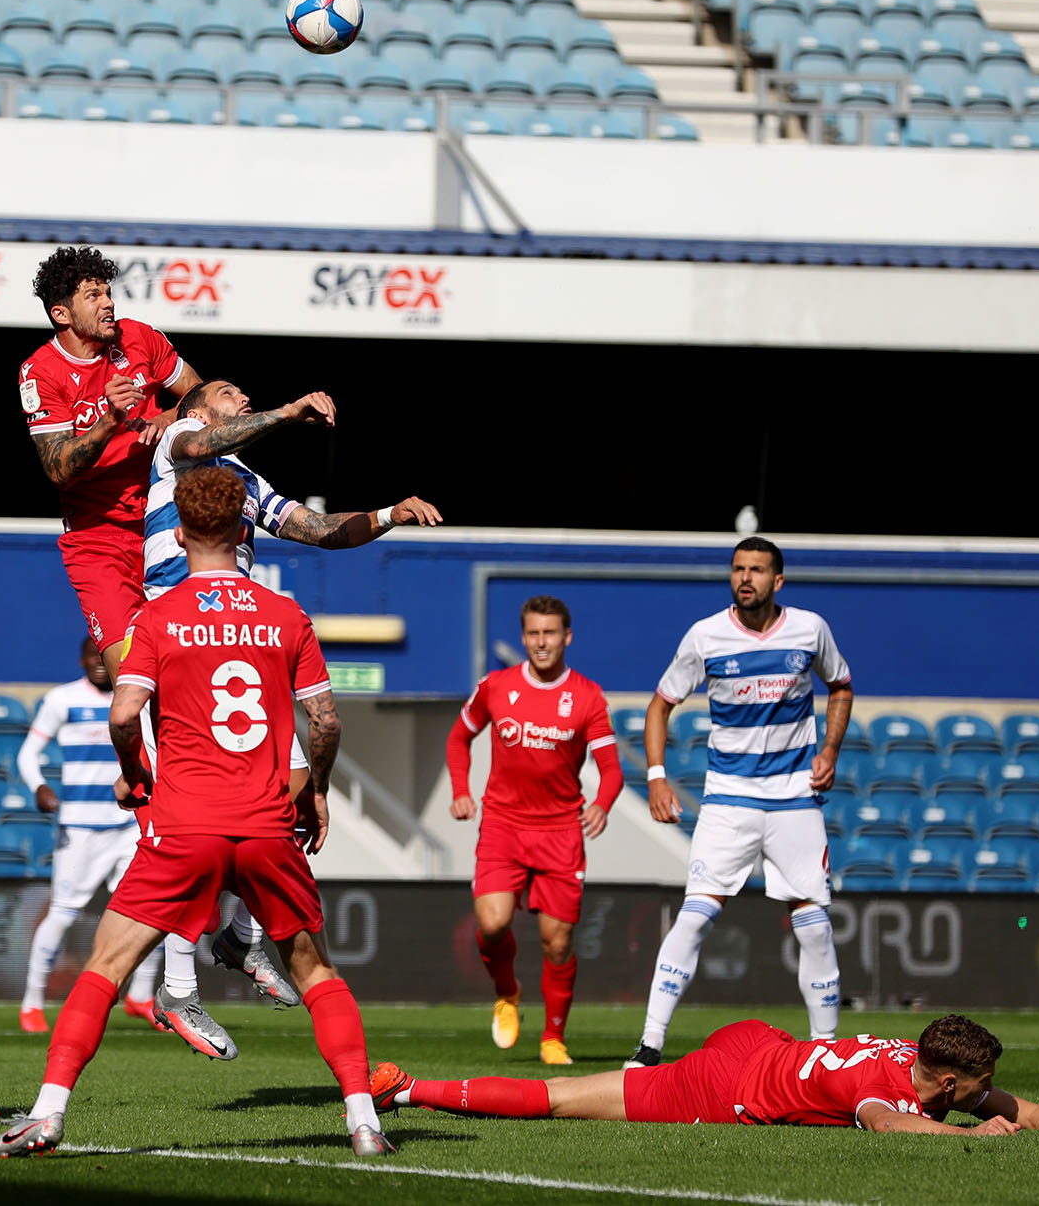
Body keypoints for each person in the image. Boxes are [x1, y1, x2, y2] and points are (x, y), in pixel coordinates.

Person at [0, 467, 394, 1159]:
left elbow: (123, 714)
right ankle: (363, 1120)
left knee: (105, 965)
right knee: (317, 972)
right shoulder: (286, 615)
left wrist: (133, 773)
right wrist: (316, 788)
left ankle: (49, 1113)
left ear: (178, 533)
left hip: (184, 825)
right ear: (243, 533)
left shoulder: (158, 616)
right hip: (266, 825)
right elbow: (324, 723)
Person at [139, 377, 441, 1059]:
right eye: (228, 390)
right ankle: (177, 986)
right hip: (179, 640)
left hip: (240, 645)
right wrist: (288, 411)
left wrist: (390, 511)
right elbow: (212, 436)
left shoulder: (243, 478)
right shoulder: (178, 451)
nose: (243, 396)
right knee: (196, 817)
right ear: (193, 409)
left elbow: (319, 529)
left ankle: (241, 935)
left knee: (293, 797)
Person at [628, 537, 854, 1069]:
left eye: (756, 570)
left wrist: (831, 750)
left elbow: (841, 685)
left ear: (779, 581)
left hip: (795, 797)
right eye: (737, 569)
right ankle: (649, 1046)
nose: (745, 578)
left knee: (816, 924)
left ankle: (825, 1056)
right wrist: (657, 777)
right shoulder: (705, 636)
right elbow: (661, 704)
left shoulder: (810, 629)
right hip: (729, 800)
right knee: (695, 917)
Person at [371, 1013, 1039, 1136]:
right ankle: (406, 1086)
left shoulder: (924, 1062)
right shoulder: (884, 1092)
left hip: (762, 1040)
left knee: (568, 1096)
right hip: (723, 1083)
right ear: (948, 1084)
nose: (988, 1091)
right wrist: (989, 1139)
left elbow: (1016, 1104)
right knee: (562, 1100)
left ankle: (407, 1087)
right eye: (978, 1084)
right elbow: (890, 1126)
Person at [445, 595, 623, 1066]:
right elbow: (459, 736)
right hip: (503, 825)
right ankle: (507, 990)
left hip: (562, 832)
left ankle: (553, 1038)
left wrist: (603, 805)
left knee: (557, 942)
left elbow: (612, 769)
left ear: (567, 637)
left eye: (550, 633)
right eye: (533, 634)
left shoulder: (587, 696)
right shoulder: (496, 686)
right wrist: (461, 789)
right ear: (523, 637)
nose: (541, 642)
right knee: (492, 923)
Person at [19, 246, 203, 678]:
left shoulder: (138, 336)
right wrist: (109, 421)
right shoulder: (40, 371)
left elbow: (200, 397)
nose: (108, 303)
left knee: (186, 665)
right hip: (97, 539)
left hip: (166, 521)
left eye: (108, 292)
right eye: (93, 295)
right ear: (62, 314)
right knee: (132, 676)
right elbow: (58, 469)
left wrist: (164, 417)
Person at [16, 637, 163, 1034]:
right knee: (62, 915)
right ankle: (31, 1003)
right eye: (91, 656)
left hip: (129, 826)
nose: (99, 663)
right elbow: (27, 753)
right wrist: (38, 787)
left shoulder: (134, 698)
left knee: (151, 913)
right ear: (80, 659)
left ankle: (142, 996)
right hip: (80, 828)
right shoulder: (62, 699)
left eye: (105, 656)